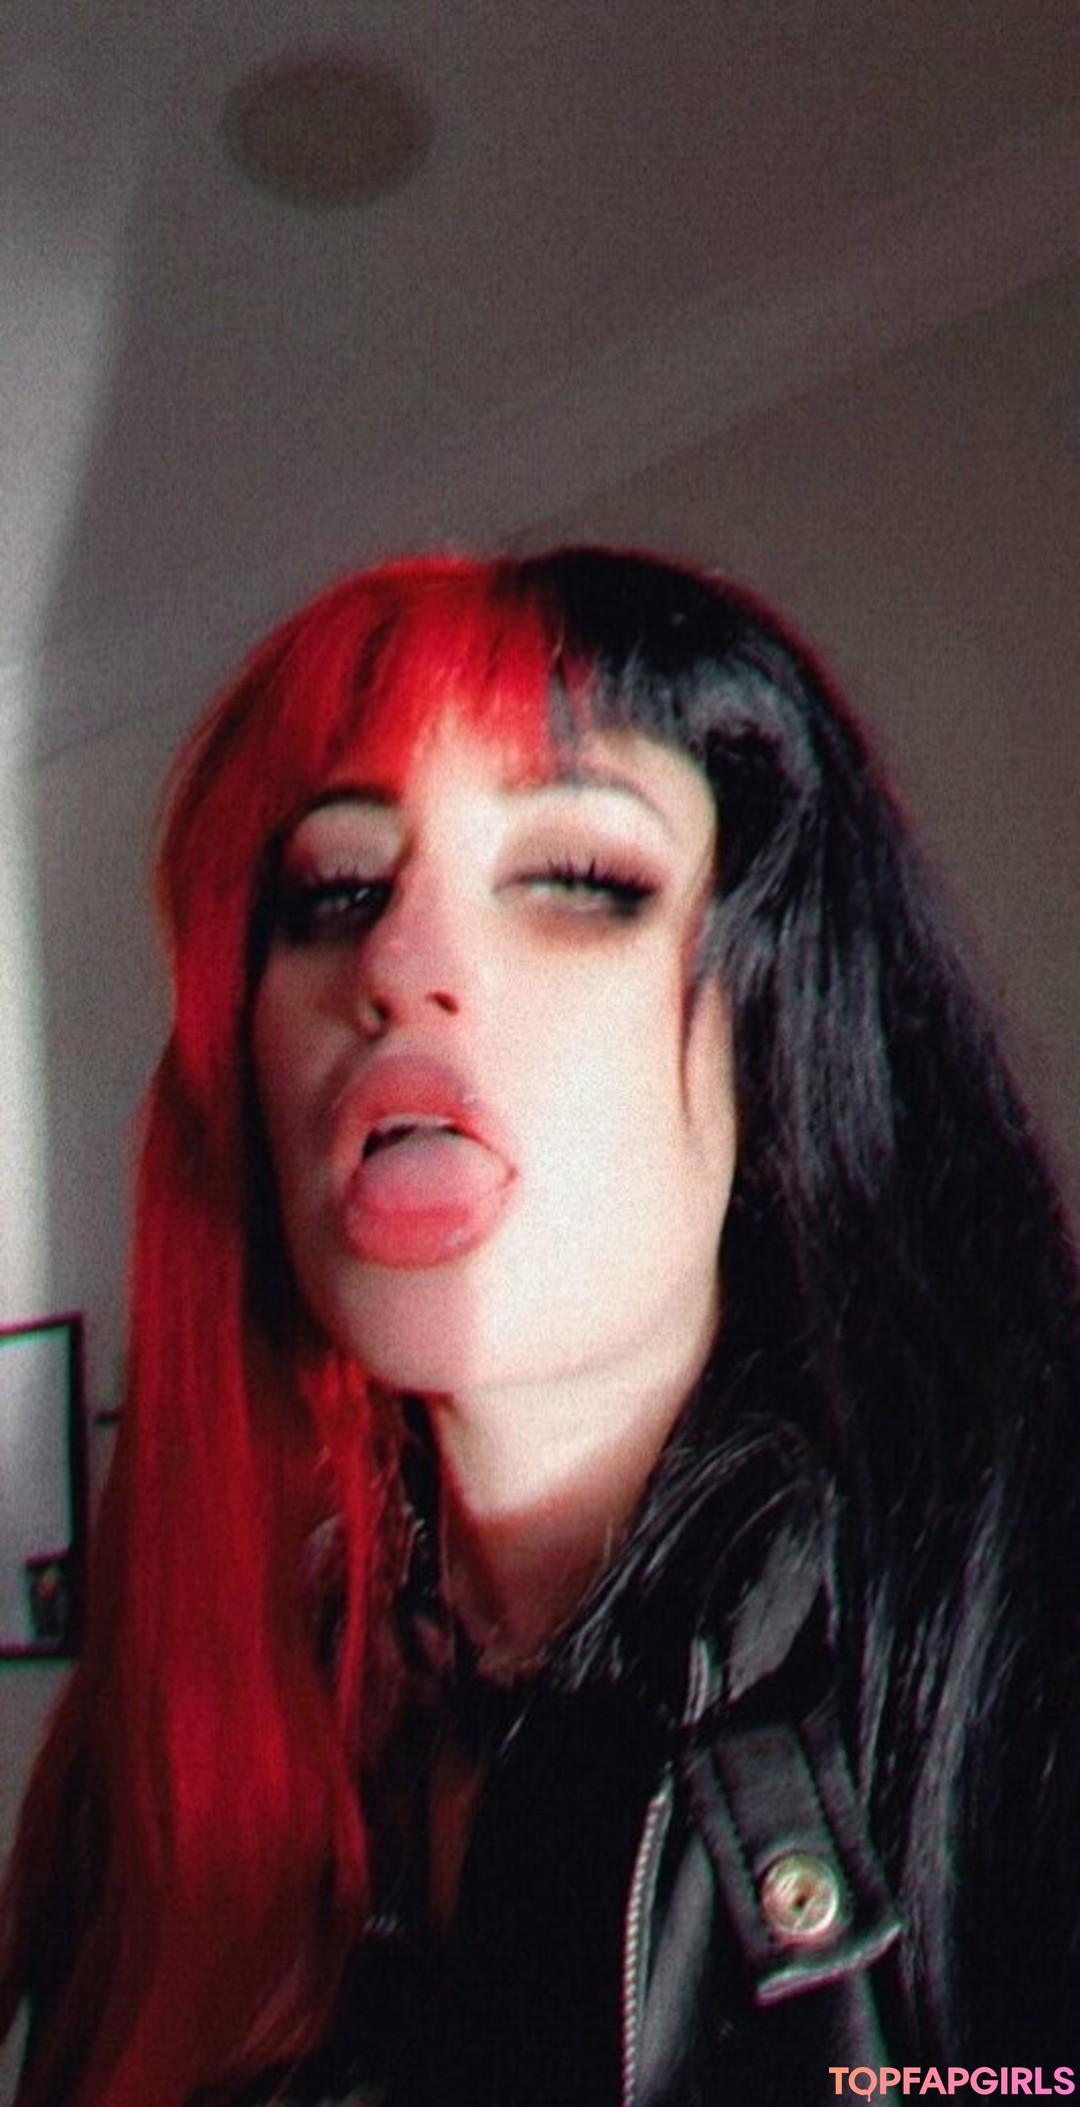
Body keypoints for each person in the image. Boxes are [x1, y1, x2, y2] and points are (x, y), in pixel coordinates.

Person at [2, 548, 1077, 2107]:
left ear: (778, 1022)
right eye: (337, 893)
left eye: (577, 877)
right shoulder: (150, 1763)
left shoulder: (1017, 1659)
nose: (396, 968)